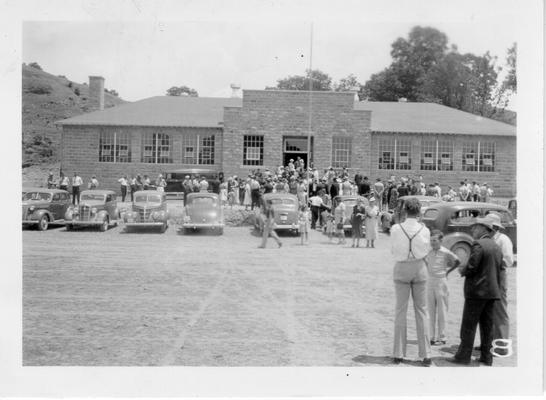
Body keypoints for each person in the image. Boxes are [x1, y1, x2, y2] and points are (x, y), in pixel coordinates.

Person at [449, 215, 503, 366]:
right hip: (492, 292)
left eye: (475, 227)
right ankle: (487, 357)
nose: (473, 230)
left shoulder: (478, 244)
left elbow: (472, 266)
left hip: (477, 292)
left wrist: (463, 270)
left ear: (483, 229)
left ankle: (463, 356)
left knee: (469, 325)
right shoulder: (495, 245)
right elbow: (499, 268)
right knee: (487, 327)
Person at [390, 198, 432, 366]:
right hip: (420, 267)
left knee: (400, 310)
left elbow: (393, 250)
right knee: (422, 311)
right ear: (419, 211)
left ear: (405, 211)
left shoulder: (395, 228)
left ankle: (398, 353)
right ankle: (426, 354)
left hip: (401, 267)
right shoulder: (425, 229)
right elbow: (426, 249)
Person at [425, 230, 461, 346]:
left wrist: (447, 272)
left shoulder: (446, 252)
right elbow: (424, 261)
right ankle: (431, 336)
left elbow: (457, 261)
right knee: (430, 310)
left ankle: (442, 337)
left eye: (435, 240)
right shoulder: (428, 251)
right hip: (430, 281)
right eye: (431, 240)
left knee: (442, 310)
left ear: (441, 241)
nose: (432, 243)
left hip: (441, 282)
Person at [488, 212, 514, 347]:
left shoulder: (503, 240)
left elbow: (509, 260)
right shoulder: (488, 239)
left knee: (500, 309)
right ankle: (490, 342)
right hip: (488, 276)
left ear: (494, 227)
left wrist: (493, 262)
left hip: (499, 275)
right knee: (489, 309)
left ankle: (502, 344)